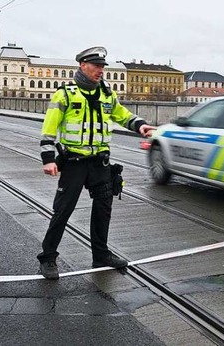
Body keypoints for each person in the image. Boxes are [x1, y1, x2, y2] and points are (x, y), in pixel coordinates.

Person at [37, 46, 156, 280]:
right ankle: (48, 258)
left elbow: (122, 114)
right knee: (63, 210)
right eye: (96, 66)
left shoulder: (106, 94)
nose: (101, 70)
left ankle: (101, 254)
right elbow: (48, 130)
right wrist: (48, 159)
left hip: (100, 162)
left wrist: (140, 125)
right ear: (83, 65)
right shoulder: (65, 94)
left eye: (103, 66)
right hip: (74, 162)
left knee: (103, 209)